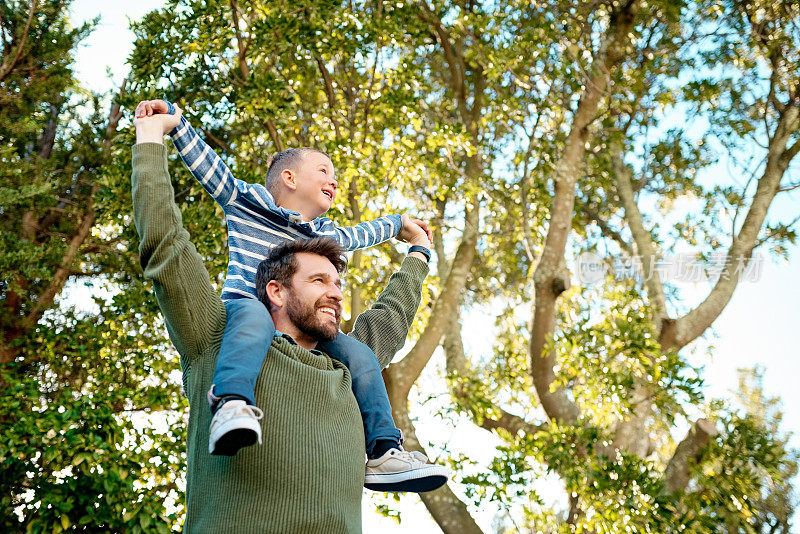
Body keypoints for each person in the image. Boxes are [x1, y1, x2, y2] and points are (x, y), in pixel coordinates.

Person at [132, 111, 446, 531]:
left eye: (338, 281)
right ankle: (231, 403)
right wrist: (162, 131)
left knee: (363, 356)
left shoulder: (346, 364)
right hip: (245, 310)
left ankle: (385, 453)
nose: (336, 291)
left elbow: (390, 308)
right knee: (253, 323)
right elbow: (170, 234)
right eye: (319, 280)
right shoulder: (214, 336)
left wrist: (415, 246)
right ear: (289, 179)